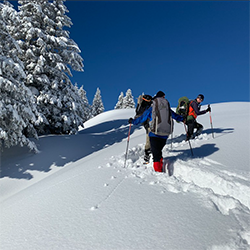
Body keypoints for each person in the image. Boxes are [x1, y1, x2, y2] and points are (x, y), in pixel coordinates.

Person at [128, 91, 184, 172]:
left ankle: (158, 172)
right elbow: (175, 116)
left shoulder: (152, 107)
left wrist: (132, 121)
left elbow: (142, 118)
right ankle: (160, 165)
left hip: (154, 134)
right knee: (158, 151)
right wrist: (183, 119)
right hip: (165, 134)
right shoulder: (166, 108)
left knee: (156, 154)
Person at [134, 94, 152, 163]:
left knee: (149, 137)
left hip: (147, 123)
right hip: (148, 122)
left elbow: (137, 113)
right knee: (150, 137)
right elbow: (139, 114)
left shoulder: (142, 104)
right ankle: (148, 154)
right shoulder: (145, 105)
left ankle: (147, 154)